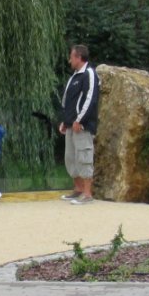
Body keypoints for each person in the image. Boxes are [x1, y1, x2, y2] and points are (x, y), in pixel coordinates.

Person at [58, 43, 100, 204]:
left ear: (78, 57)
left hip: (82, 126)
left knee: (84, 156)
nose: (69, 60)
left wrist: (79, 120)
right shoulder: (74, 76)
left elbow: (90, 99)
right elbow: (67, 101)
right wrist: (65, 121)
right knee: (70, 158)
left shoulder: (89, 73)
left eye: (71, 57)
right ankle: (78, 189)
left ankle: (88, 194)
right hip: (71, 125)